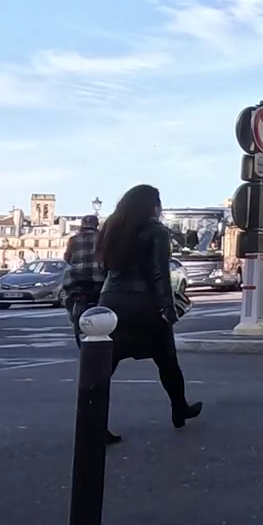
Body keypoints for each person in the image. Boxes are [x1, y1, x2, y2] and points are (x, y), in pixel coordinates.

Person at [97, 184, 201, 431]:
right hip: (143, 303)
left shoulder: (112, 226)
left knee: (104, 367)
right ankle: (179, 408)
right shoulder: (156, 231)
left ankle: (95, 423)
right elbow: (159, 273)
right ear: (153, 206)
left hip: (112, 300)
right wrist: (168, 307)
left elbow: (103, 267)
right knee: (167, 360)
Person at [62, 214, 120, 445]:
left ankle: (75, 322)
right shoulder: (102, 238)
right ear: (96, 225)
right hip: (98, 282)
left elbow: (67, 259)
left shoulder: (73, 240)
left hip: (76, 283)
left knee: (71, 303)